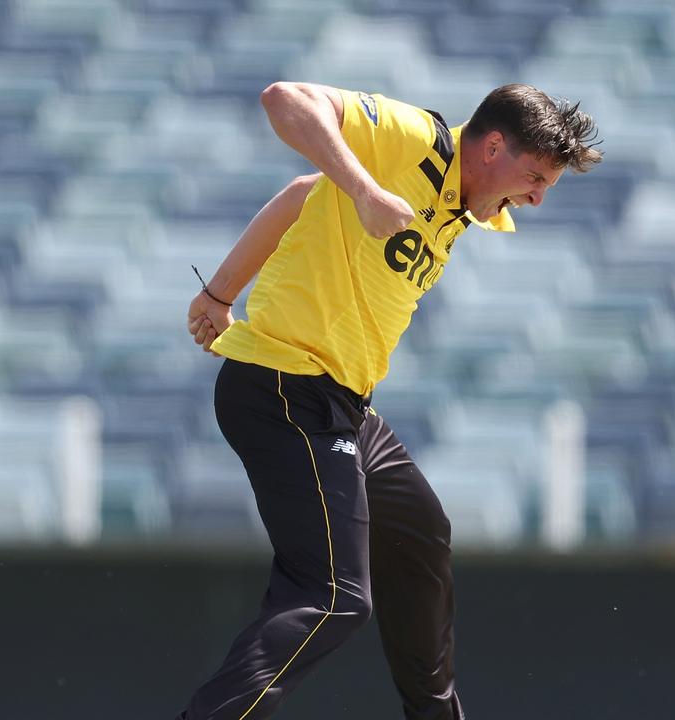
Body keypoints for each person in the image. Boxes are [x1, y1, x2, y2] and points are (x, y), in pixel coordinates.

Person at [180, 81, 601, 720]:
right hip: (284, 386)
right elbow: (283, 99)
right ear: (491, 147)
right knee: (334, 597)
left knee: (420, 535)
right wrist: (365, 189)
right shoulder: (412, 140)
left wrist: (218, 294)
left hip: (341, 402)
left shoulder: (467, 201)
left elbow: (303, 197)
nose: (537, 198)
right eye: (536, 177)